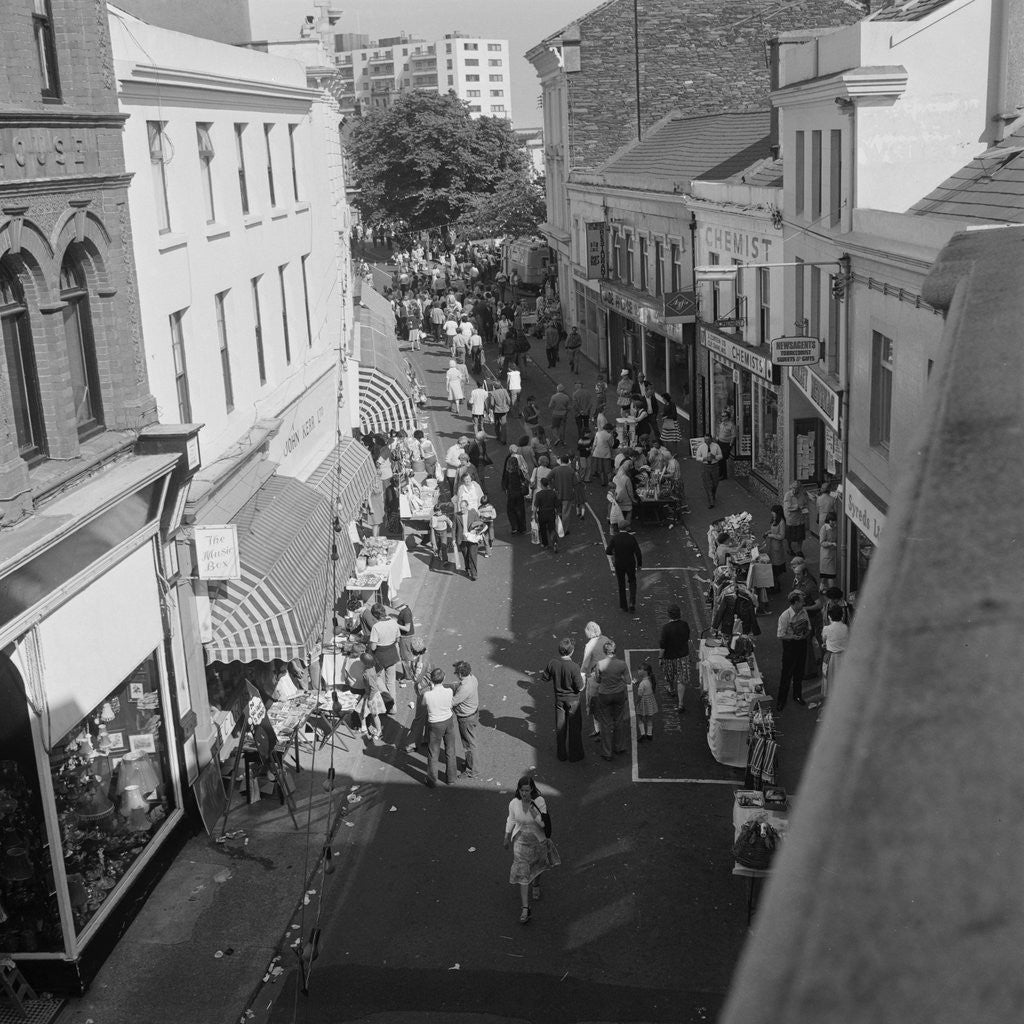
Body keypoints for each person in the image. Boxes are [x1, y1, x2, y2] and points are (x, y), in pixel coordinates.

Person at [503, 775, 559, 924]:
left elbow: (542, 824)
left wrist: (532, 808)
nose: (524, 794)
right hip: (521, 842)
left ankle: (536, 883)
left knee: (537, 867)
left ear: (532, 789)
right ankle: (525, 909)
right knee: (523, 874)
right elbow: (512, 819)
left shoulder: (539, 802)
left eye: (527, 790)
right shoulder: (514, 803)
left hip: (538, 841)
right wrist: (506, 836)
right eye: (522, 791)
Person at [542, 638, 584, 762]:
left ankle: (561, 754)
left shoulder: (553, 663)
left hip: (559, 700)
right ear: (571, 652)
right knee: (574, 728)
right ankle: (575, 755)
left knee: (560, 727)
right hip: (573, 701)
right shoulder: (574, 667)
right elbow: (580, 687)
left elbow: (545, 678)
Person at [592, 640, 630, 760]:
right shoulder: (622, 664)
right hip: (619, 694)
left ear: (605, 651)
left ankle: (607, 752)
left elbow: (597, 680)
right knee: (619, 720)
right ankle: (620, 747)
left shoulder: (600, 664)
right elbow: (628, 681)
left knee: (605, 723)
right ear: (614, 650)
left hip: (604, 695)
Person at [812, 604, 849, 718]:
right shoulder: (845, 627)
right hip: (843, 657)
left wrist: (825, 644)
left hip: (831, 658)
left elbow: (823, 641)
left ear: (829, 616)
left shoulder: (826, 628)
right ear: (842, 616)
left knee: (829, 681)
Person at [423, 667, 458, 787]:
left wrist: (431, 688)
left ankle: (432, 780)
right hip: (448, 721)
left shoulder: (427, 695)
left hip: (435, 724)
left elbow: (423, 703)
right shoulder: (449, 691)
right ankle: (451, 778)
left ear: (431, 680)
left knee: (433, 752)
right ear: (444, 678)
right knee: (450, 749)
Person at [776, 591, 811, 711]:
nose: (804, 603)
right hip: (790, 646)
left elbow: (808, 627)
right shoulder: (785, 616)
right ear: (796, 602)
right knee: (786, 674)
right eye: (802, 601)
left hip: (802, 644)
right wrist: (792, 637)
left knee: (799, 672)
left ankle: (797, 695)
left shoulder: (804, 611)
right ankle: (781, 700)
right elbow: (780, 635)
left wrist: (805, 634)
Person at [580, 621, 611, 741]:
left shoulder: (589, 646)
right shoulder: (606, 639)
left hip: (594, 677)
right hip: (607, 675)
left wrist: (581, 681)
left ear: (588, 632)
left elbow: (585, 665)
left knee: (594, 704)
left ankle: (598, 730)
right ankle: (605, 728)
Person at [659, 604, 692, 713]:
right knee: (681, 680)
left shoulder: (666, 628)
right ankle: (681, 703)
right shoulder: (684, 625)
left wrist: (660, 658)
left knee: (669, 675)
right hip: (683, 656)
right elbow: (687, 638)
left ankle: (671, 689)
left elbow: (662, 646)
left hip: (669, 657)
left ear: (668, 615)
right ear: (679, 614)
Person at [368, 603, 401, 704]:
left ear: (375, 615)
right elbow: (398, 639)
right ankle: (393, 706)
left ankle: (387, 698)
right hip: (392, 654)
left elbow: (373, 647)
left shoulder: (376, 627)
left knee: (377, 678)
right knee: (391, 682)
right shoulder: (394, 622)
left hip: (380, 657)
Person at [451, 661, 480, 777]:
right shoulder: (472, 678)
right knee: (469, 741)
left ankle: (472, 770)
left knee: (469, 744)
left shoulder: (464, 688)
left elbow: (453, 702)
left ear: (460, 674)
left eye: (456, 673)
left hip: (465, 718)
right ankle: (470, 762)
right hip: (473, 712)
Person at [348, 652, 385, 741]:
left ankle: (379, 732)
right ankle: (364, 727)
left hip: (371, 696)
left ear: (364, 663)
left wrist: (370, 699)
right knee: (360, 710)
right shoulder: (371, 667)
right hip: (368, 694)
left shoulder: (368, 674)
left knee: (374, 715)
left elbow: (374, 688)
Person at [606, 523, 643, 612]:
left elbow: (608, 551)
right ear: (627, 528)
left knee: (621, 584)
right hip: (630, 563)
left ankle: (623, 606)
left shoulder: (615, 538)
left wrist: (615, 554)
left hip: (619, 564)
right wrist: (639, 564)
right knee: (632, 581)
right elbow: (638, 552)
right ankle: (632, 602)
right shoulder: (631, 538)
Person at [501, 445, 530, 535]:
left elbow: (504, 483)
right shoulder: (518, 471)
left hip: (511, 494)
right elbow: (523, 479)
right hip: (519, 494)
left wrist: (505, 488)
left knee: (511, 510)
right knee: (521, 511)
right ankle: (522, 528)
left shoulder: (507, 473)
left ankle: (514, 527)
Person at [454, 498, 483, 580]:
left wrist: (475, 530)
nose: (461, 509)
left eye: (463, 507)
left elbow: (479, 524)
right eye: (460, 507)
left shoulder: (473, 513)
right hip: (462, 539)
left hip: (472, 539)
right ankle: (468, 569)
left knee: (473, 556)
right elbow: (454, 528)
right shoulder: (457, 515)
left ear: (467, 507)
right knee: (466, 556)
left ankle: (474, 574)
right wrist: (453, 539)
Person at [695, 432, 723, 508]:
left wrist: (715, 457)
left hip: (715, 466)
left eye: (708, 440)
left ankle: (713, 494)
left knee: (715, 483)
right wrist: (704, 458)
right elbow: (697, 457)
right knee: (707, 484)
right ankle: (711, 501)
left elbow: (721, 456)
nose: (706, 441)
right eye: (705, 440)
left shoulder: (716, 446)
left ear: (711, 439)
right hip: (705, 467)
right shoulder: (701, 447)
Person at [532, 476, 560, 553]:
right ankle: (554, 542)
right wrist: (557, 514)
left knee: (543, 529)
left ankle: (545, 544)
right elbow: (557, 505)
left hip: (542, 514)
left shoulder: (538, 494)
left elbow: (535, 507)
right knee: (552, 529)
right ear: (548, 484)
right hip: (551, 513)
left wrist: (534, 516)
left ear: (541, 485)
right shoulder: (553, 493)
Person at [765, 504, 788, 593]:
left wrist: (771, 535)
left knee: (776, 567)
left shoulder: (781, 522)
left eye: (773, 513)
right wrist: (768, 531)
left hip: (777, 547)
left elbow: (782, 536)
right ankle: (774, 583)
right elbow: (774, 529)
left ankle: (777, 586)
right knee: (773, 565)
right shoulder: (775, 520)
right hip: (772, 546)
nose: (772, 514)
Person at [783, 480, 810, 556]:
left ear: (800, 488)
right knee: (789, 536)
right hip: (791, 519)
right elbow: (788, 507)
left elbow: (805, 503)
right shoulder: (788, 495)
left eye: (797, 488)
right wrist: (797, 507)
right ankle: (789, 548)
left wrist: (805, 510)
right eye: (794, 488)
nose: (795, 489)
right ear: (791, 487)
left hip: (800, 519)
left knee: (800, 536)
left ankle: (799, 550)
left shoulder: (802, 495)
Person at [634, 663, 659, 742]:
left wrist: (636, 703)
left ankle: (642, 734)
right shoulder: (650, 680)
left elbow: (639, 695)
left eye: (639, 669)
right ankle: (649, 734)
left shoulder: (642, 683)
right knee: (649, 719)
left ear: (645, 671)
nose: (638, 671)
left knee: (640, 718)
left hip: (643, 703)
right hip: (650, 701)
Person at [488, 379, 511, 445]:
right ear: (500, 385)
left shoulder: (493, 393)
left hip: (497, 411)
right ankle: (504, 440)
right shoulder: (504, 391)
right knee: (504, 425)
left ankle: (498, 436)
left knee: (497, 425)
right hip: (504, 410)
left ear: (494, 386)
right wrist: (508, 406)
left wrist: (491, 408)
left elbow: (492, 404)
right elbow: (509, 400)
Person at [715, 411, 737, 479]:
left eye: (724, 416)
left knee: (723, 459)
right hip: (720, 442)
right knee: (719, 459)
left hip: (726, 444)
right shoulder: (721, 424)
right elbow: (719, 431)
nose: (722, 417)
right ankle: (719, 473)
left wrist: (730, 445)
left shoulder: (731, 425)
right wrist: (717, 439)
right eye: (722, 416)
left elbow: (733, 436)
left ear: (727, 417)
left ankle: (723, 475)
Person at [818, 511, 838, 586]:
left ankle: (821, 587)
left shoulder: (835, 528)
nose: (833, 522)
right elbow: (822, 542)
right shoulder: (824, 528)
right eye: (832, 521)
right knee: (830, 575)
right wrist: (831, 543)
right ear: (828, 520)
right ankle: (832, 592)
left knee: (825, 573)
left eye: (834, 521)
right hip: (826, 554)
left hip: (832, 554)